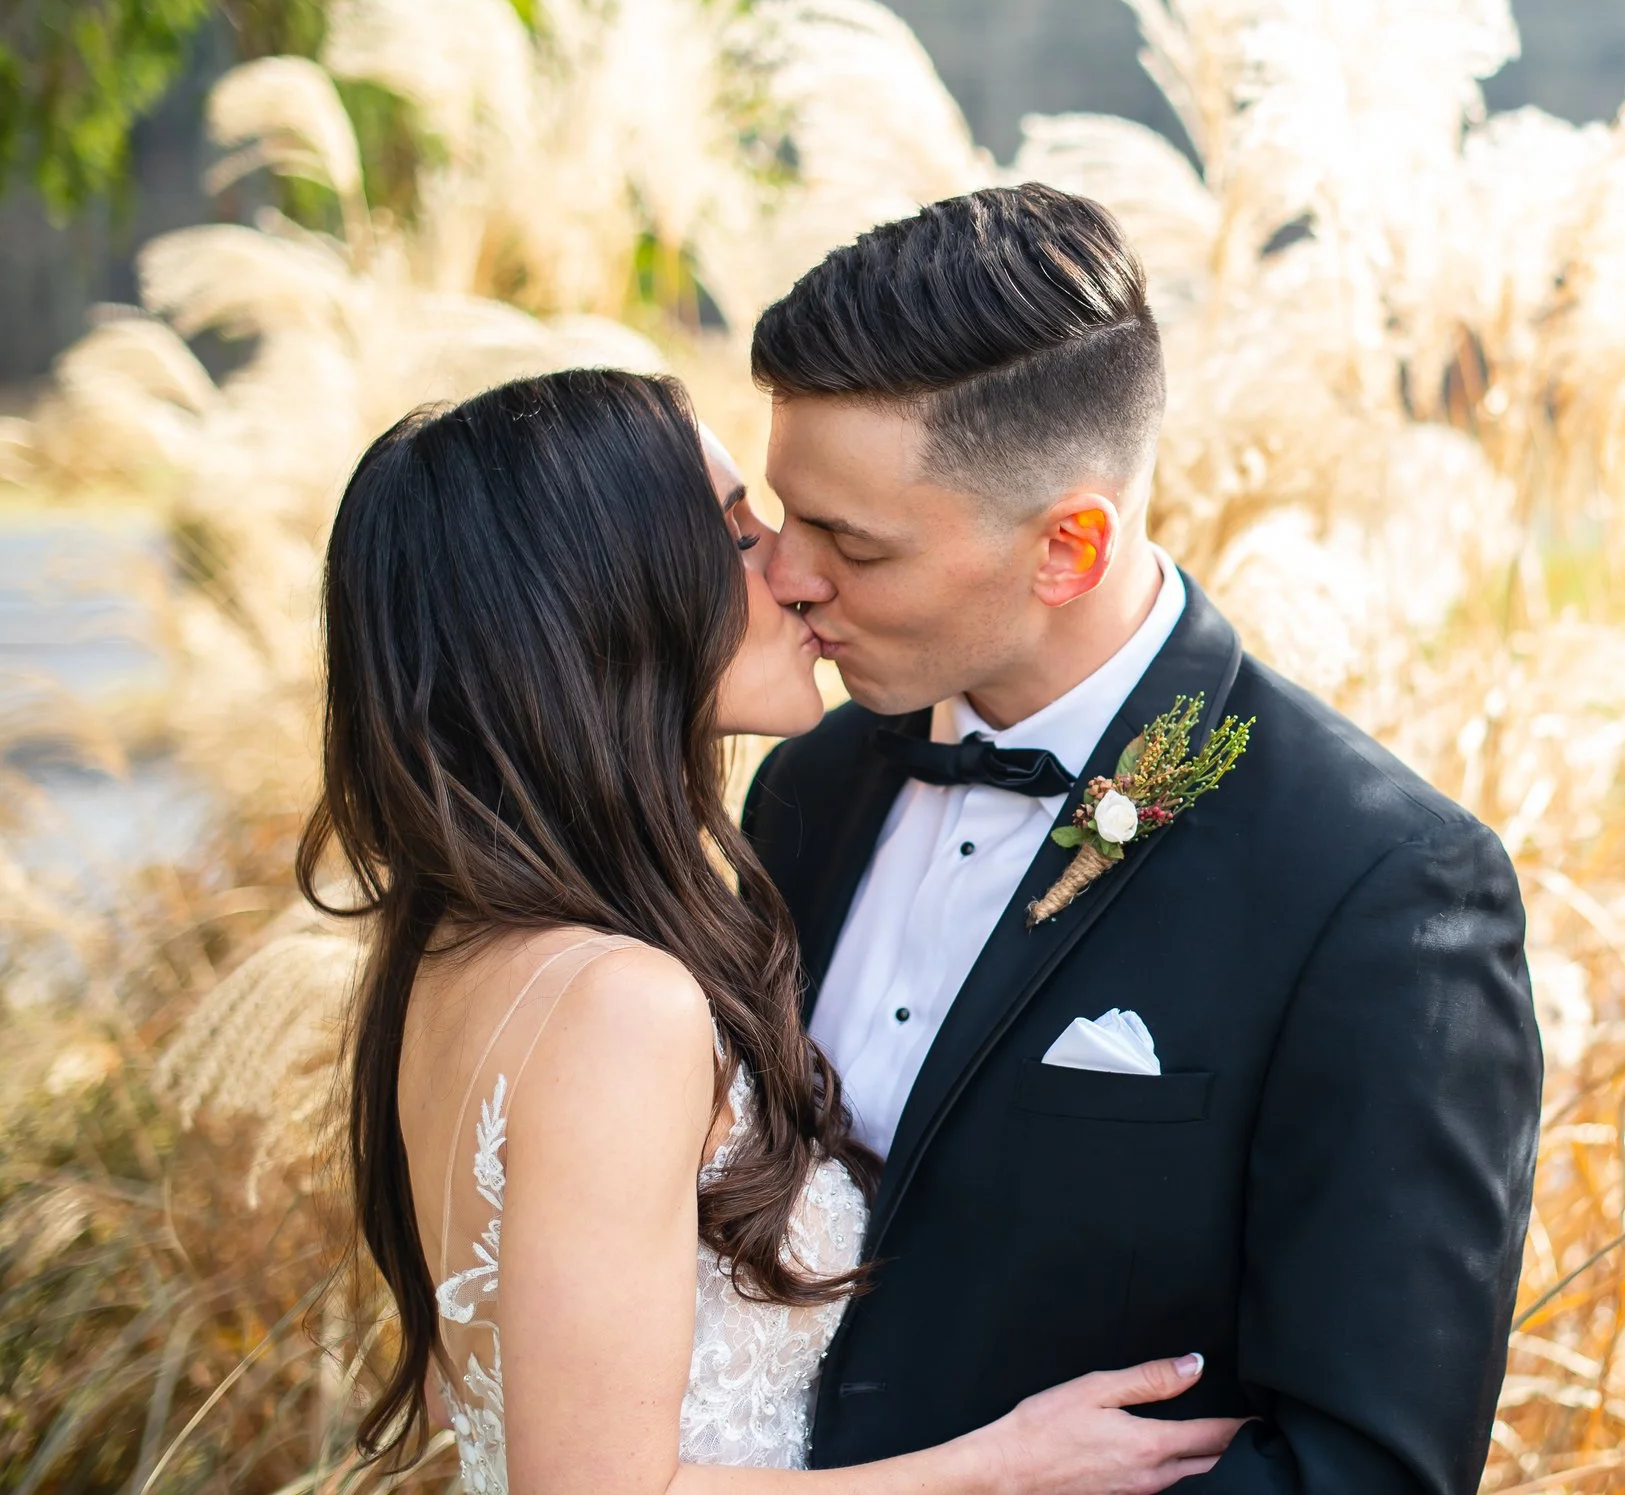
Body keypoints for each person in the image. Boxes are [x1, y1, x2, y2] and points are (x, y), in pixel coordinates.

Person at [309, 367, 1242, 1495]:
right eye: (736, 532)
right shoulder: (620, 1006)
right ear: (605, 598)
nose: (793, 574)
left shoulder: (463, 944)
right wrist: (1001, 1468)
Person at [744, 184, 1542, 1493]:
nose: (784, 573)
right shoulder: (806, 790)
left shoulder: (1380, 888)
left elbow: (1368, 1469)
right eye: (784, 512)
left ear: (1069, 543)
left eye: (849, 540)